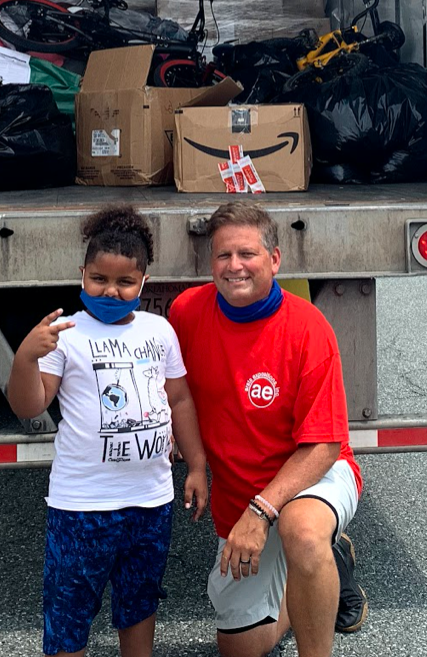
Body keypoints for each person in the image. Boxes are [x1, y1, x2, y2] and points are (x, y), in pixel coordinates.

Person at [168, 201, 368, 657]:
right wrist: (193, 461)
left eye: (247, 254)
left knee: (300, 529)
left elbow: (323, 445)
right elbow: (176, 396)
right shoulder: (186, 313)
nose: (234, 266)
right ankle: (317, 574)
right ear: (209, 262)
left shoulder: (307, 327)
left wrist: (260, 514)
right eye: (223, 256)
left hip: (312, 473)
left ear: (274, 260)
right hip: (239, 492)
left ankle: (314, 558)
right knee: (240, 649)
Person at [7, 205, 208, 657]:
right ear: (82, 274)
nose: (111, 292)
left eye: (124, 283)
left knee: (139, 602)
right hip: (82, 507)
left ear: (144, 283)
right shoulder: (67, 334)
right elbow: (30, 403)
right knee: (69, 611)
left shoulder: (159, 331)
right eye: (99, 279)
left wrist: (196, 464)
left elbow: (179, 399)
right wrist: (25, 357)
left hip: (151, 502)